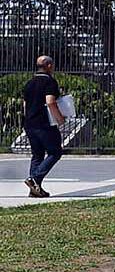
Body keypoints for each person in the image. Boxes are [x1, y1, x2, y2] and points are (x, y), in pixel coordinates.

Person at [20, 55, 65, 198]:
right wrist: (60, 119)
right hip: (44, 123)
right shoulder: (49, 82)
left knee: (37, 154)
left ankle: (34, 189)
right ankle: (35, 179)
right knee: (55, 152)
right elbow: (50, 101)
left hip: (30, 123)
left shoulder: (29, 83)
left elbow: (25, 104)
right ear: (49, 66)